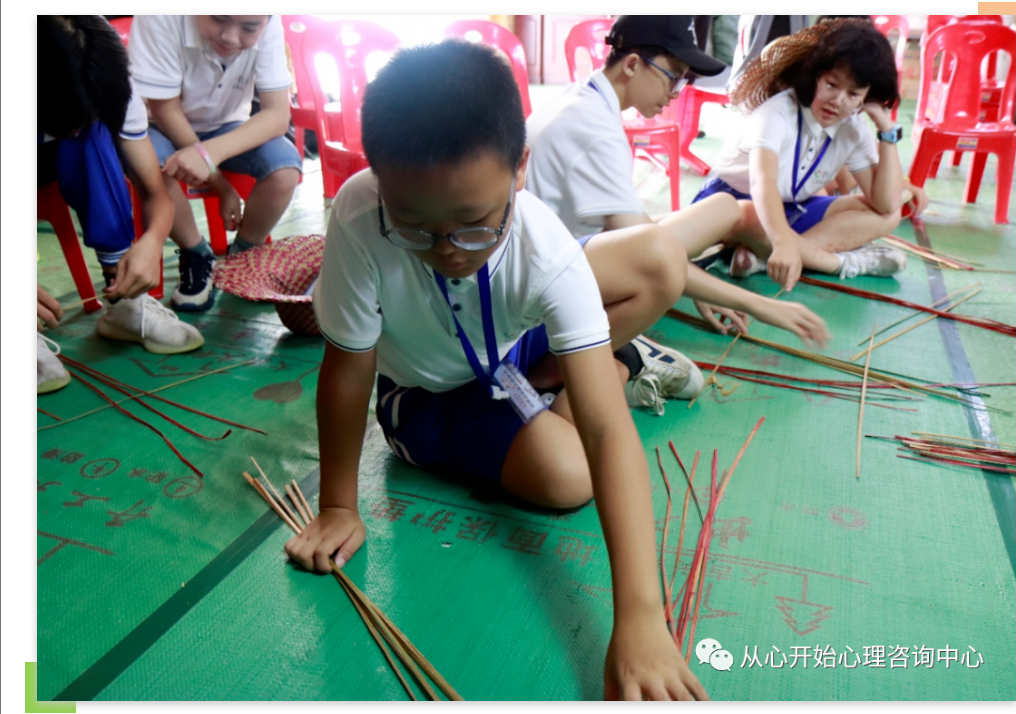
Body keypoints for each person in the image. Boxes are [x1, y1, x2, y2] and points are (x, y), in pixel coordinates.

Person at [287, 39, 709, 701]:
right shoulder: (360, 214)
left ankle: (590, 369)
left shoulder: (546, 249)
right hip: (428, 396)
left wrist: (641, 617)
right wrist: (338, 505)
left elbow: (609, 432)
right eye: (415, 226)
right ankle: (601, 366)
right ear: (380, 181)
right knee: (568, 478)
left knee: (652, 271)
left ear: (520, 168)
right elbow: (347, 367)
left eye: (473, 224)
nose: (447, 250)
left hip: (509, 347)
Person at [525, 15, 830, 361]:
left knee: (725, 207)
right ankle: (559, 368)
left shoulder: (581, 98)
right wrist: (757, 304)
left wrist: (696, 284)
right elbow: (649, 252)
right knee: (665, 271)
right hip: (539, 290)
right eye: (673, 78)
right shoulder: (595, 131)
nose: (674, 95)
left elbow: (632, 230)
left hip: (560, 253)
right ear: (632, 64)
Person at [37, 15, 205, 396]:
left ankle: (126, 304)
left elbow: (155, 192)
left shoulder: (104, 80)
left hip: (51, 145)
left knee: (92, 141)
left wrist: (151, 241)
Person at [691, 18, 921, 291]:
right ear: (814, 75)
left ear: (867, 97)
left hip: (791, 209)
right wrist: (782, 241)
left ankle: (764, 259)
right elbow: (762, 183)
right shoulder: (776, 112)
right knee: (748, 213)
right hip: (731, 206)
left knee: (888, 215)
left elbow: (885, 203)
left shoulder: (853, 127)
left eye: (853, 94)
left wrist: (887, 132)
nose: (837, 101)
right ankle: (839, 263)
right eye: (831, 84)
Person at [128, 15, 302, 311]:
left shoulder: (269, 18)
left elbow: (276, 116)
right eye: (219, 19)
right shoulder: (158, 15)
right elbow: (165, 110)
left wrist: (207, 156)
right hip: (159, 126)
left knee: (284, 168)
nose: (231, 37)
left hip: (226, 126)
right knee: (150, 168)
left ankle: (243, 254)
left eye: (250, 28)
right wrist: (220, 184)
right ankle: (196, 252)